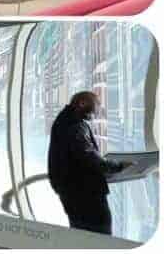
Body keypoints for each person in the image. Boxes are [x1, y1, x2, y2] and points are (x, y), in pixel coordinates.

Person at [48, 91, 131, 235]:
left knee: (82, 235)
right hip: (85, 196)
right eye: (97, 105)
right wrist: (118, 166)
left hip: (74, 193)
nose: (98, 110)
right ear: (82, 103)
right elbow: (89, 157)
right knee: (99, 236)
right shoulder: (74, 125)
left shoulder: (65, 120)